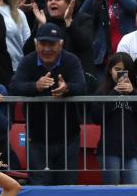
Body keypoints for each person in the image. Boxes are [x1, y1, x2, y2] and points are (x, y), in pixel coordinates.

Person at [9, 23, 87, 185]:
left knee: (67, 186)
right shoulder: (28, 61)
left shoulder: (71, 61)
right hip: (37, 139)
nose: (47, 49)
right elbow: (14, 86)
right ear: (36, 44)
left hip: (68, 138)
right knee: (39, 187)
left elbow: (82, 87)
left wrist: (67, 88)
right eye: (43, 44)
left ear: (61, 44)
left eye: (51, 44)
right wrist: (35, 86)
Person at [91, 52, 137, 185]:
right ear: (109, 70)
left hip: (130, 150)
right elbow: (96, 117)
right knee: (112, 190)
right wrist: (114, 93)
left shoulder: (135, 91)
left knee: (134, 189)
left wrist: (134, 94)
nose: (121, 74)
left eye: (125, 70)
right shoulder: (103, 91)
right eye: (117, 70)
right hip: (109, 150)